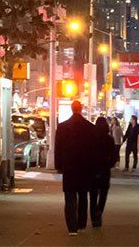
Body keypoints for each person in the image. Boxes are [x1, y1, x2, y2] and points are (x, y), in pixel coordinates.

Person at [55, 99, 97, 236]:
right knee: (83, 195)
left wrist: (59, 166)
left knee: (70, 196)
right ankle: (81, 224)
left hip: (69, 167)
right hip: (85, 167)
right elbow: (93, 150)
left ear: (71, 109)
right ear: (81, 109)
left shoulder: (62, 127)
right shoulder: (90, 127)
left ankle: (72, 227)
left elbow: (58, 149)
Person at [89, 114, 114, 228]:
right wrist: (109, 165)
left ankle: (94, 218)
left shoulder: (91, 139)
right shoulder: (109, 139)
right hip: (104, 169)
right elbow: (114, 157)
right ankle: (99, 211)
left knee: (93, 195)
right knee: (103, 193)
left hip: (92, 169)